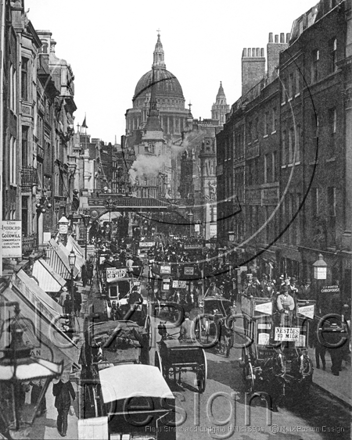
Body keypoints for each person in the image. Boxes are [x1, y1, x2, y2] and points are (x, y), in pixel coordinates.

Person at [52, 372, 76, 437]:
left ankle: (62, 429)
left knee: (62, 415)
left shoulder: (57, 383)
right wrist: (73, 398)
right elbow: (72, 392)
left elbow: (54, 393)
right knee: (63, 416)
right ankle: (62, 430)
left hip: (61, 402)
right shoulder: (67, 382)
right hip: (64, 401)